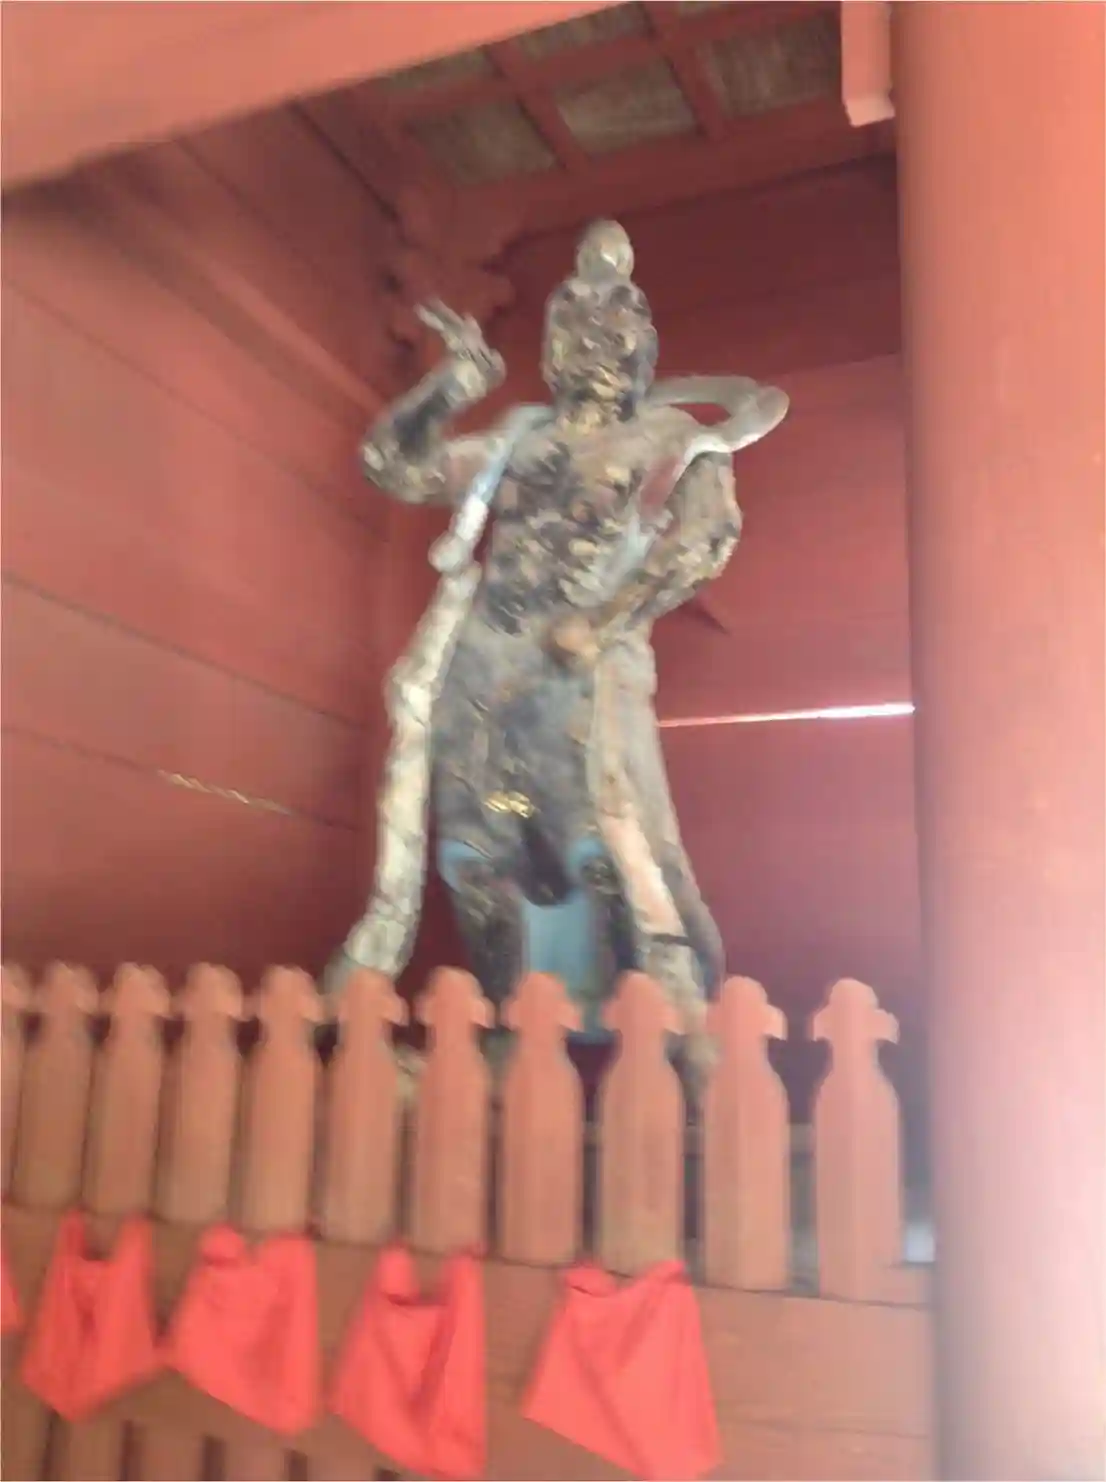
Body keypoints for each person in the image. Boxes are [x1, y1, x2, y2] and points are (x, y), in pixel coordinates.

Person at [333, 220, 788, 1067]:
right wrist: (454, 383)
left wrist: (606, 619)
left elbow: (705, 539)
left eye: (617, 330)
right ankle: (518, 1032)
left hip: (588, 673)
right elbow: (392, 466)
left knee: (614, 850)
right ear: (553, 345)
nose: (597, 346)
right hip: (484, 667)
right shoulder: (517, 443)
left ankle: (670, 1044)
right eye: (577, 327)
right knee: (479, 855)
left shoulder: (669, 439)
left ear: (644, 348)